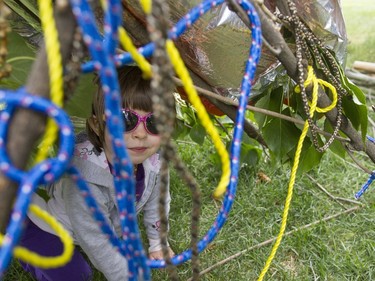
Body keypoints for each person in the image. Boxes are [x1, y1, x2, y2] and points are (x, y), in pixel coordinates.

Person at [19, 65, 174, 281]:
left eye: (155, 122)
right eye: (125, 120)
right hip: (48, 224)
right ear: (97, 124)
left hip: (91, 225)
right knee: (76, 276)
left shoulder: (154, 162)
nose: (140, 134)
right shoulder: (85, 179)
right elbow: (95, 237)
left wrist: (159, 242)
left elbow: (158, 202)